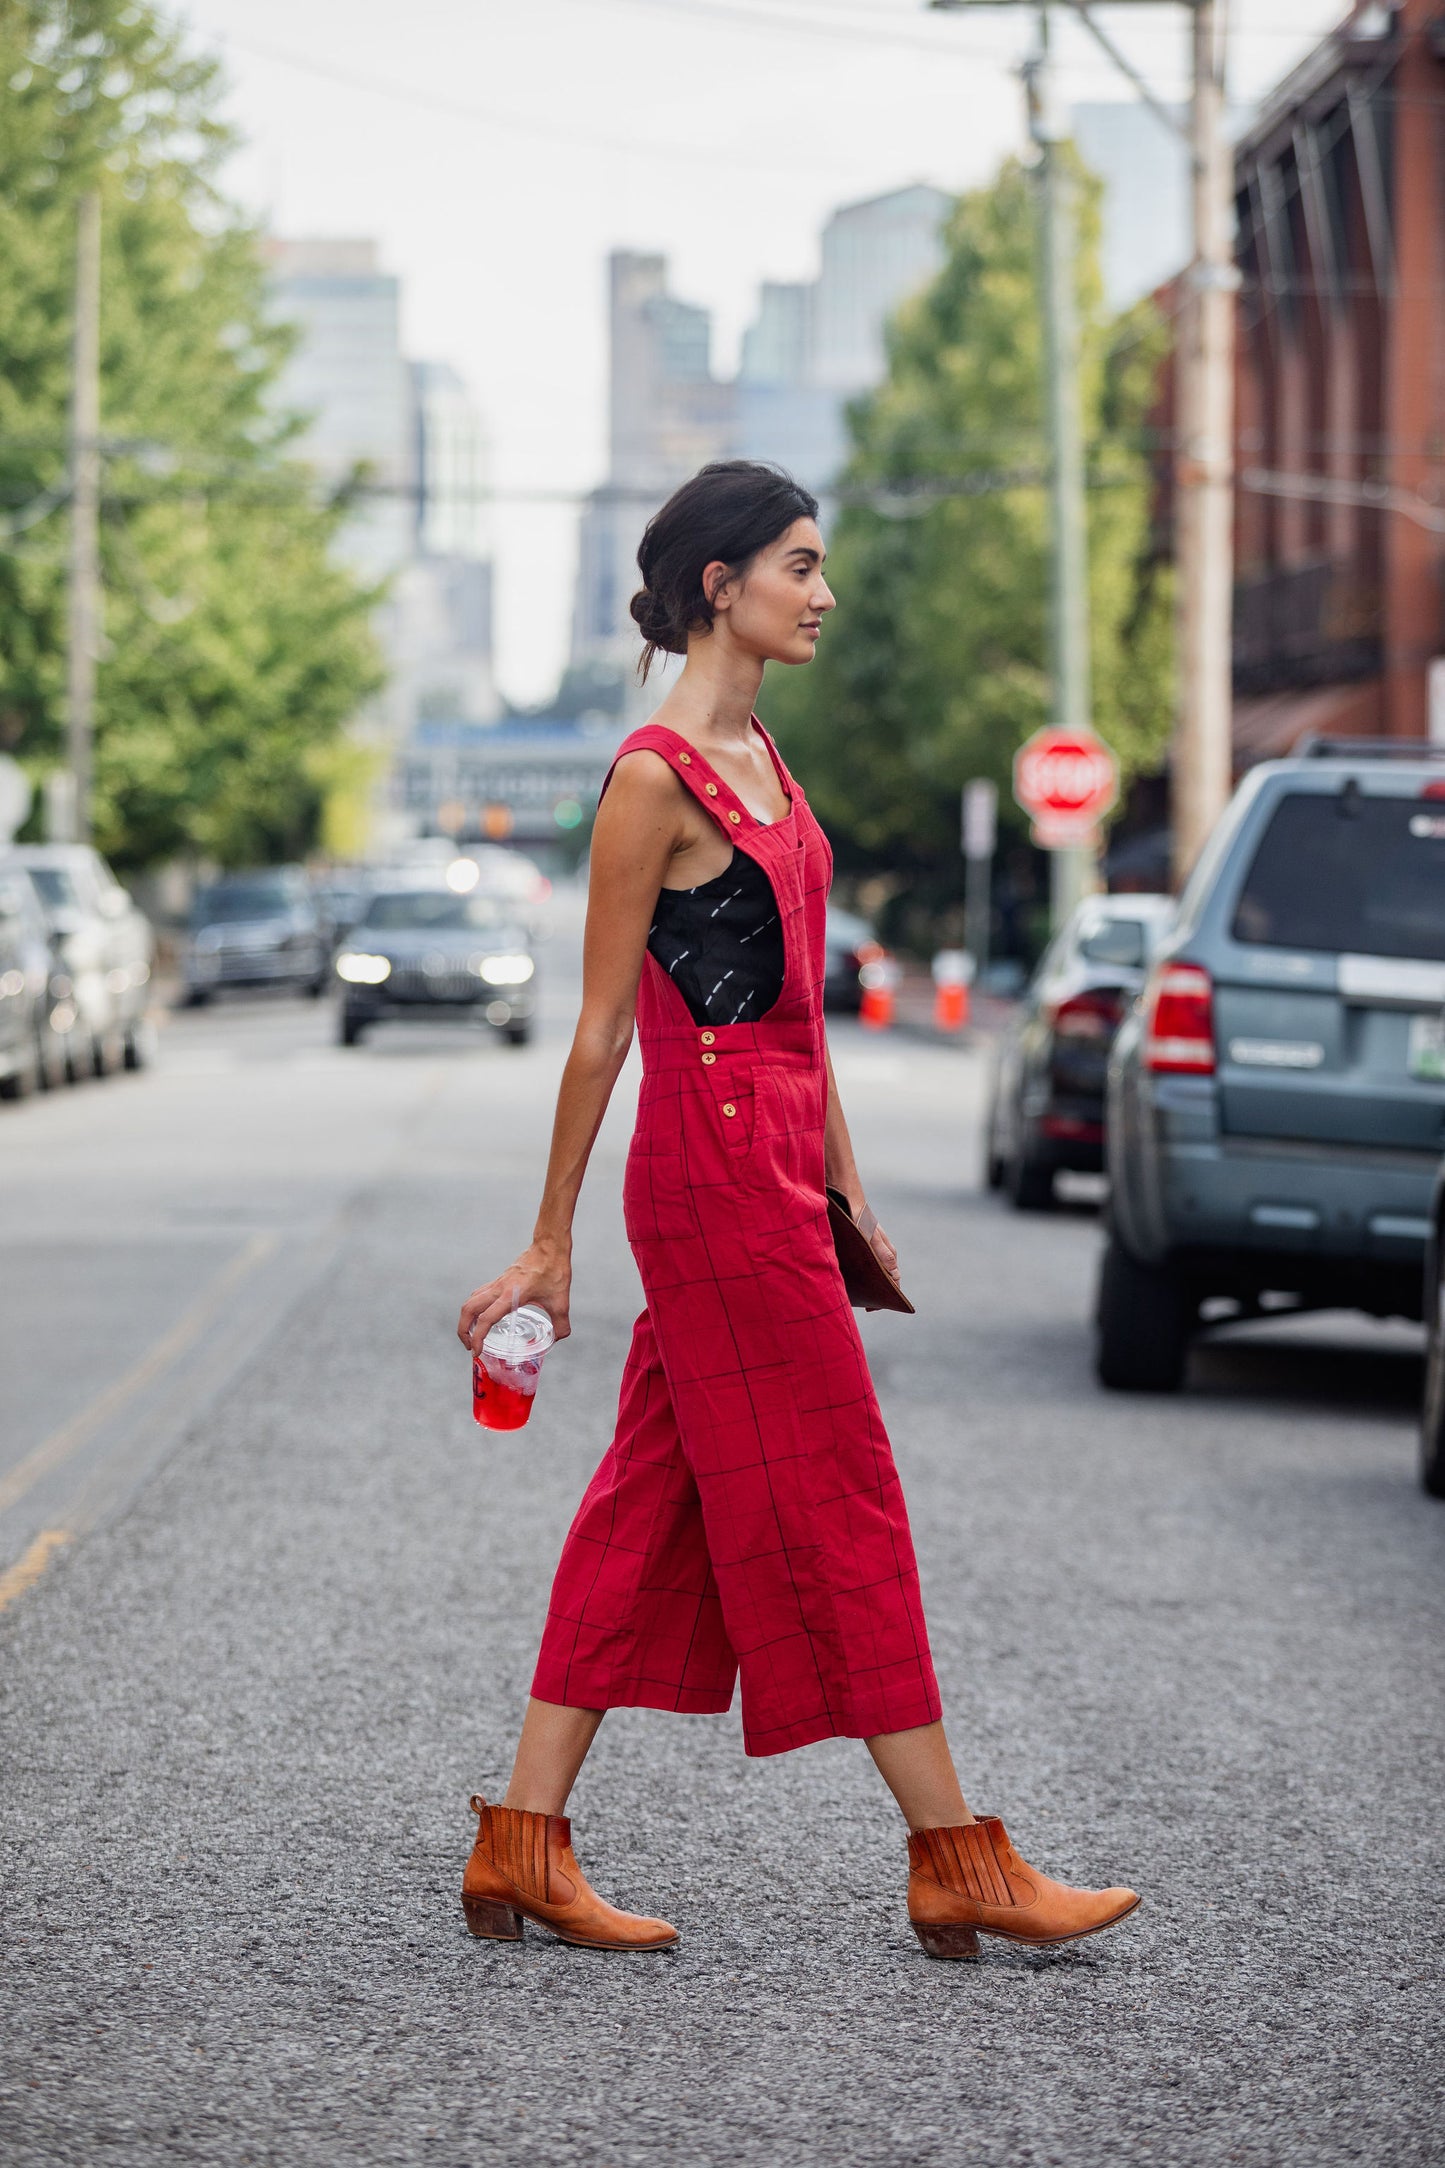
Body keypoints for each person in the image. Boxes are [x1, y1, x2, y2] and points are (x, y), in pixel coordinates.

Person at [456, 461, 1138, 1960]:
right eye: (800, 564)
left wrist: (845, 1188)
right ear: (721, 585)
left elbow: (801, 1015)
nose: (822, 594)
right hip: (700, 1168)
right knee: (837, 1488)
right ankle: (954, 1852)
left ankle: (520, 1839)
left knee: (651, 1502)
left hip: (773, 1152)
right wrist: (553, 1242)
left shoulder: (766, 754)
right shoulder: (651, 776)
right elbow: (600, 1029)